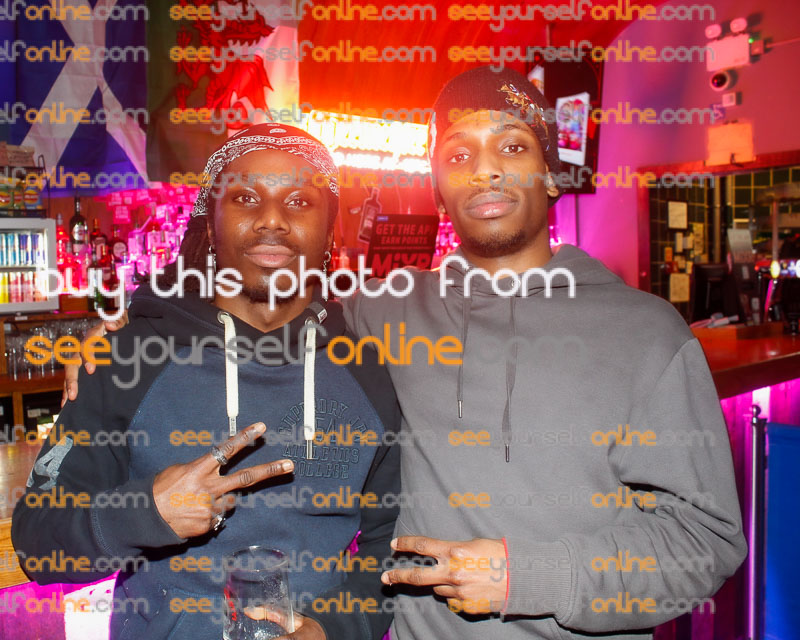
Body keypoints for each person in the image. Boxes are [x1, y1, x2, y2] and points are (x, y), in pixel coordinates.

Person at [64, 67, 748, 640]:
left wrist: (528, 577)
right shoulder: (384, 311)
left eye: (512, 147)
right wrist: (127, 329)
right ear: (437, 181)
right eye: (459, 154)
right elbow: (259, 301)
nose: (486, 172)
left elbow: (706, 541)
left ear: (550, 170)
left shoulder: (647, 336)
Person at [13, 123, 401, 640]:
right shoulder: (128, 357)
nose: (272, 219)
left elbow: (391, 549)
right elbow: (37, 540)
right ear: (211, 225)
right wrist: (146, 513)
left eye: (299, 201)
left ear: (330, 232)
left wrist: (331, 629)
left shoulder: (369, 371)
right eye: (245, 197)